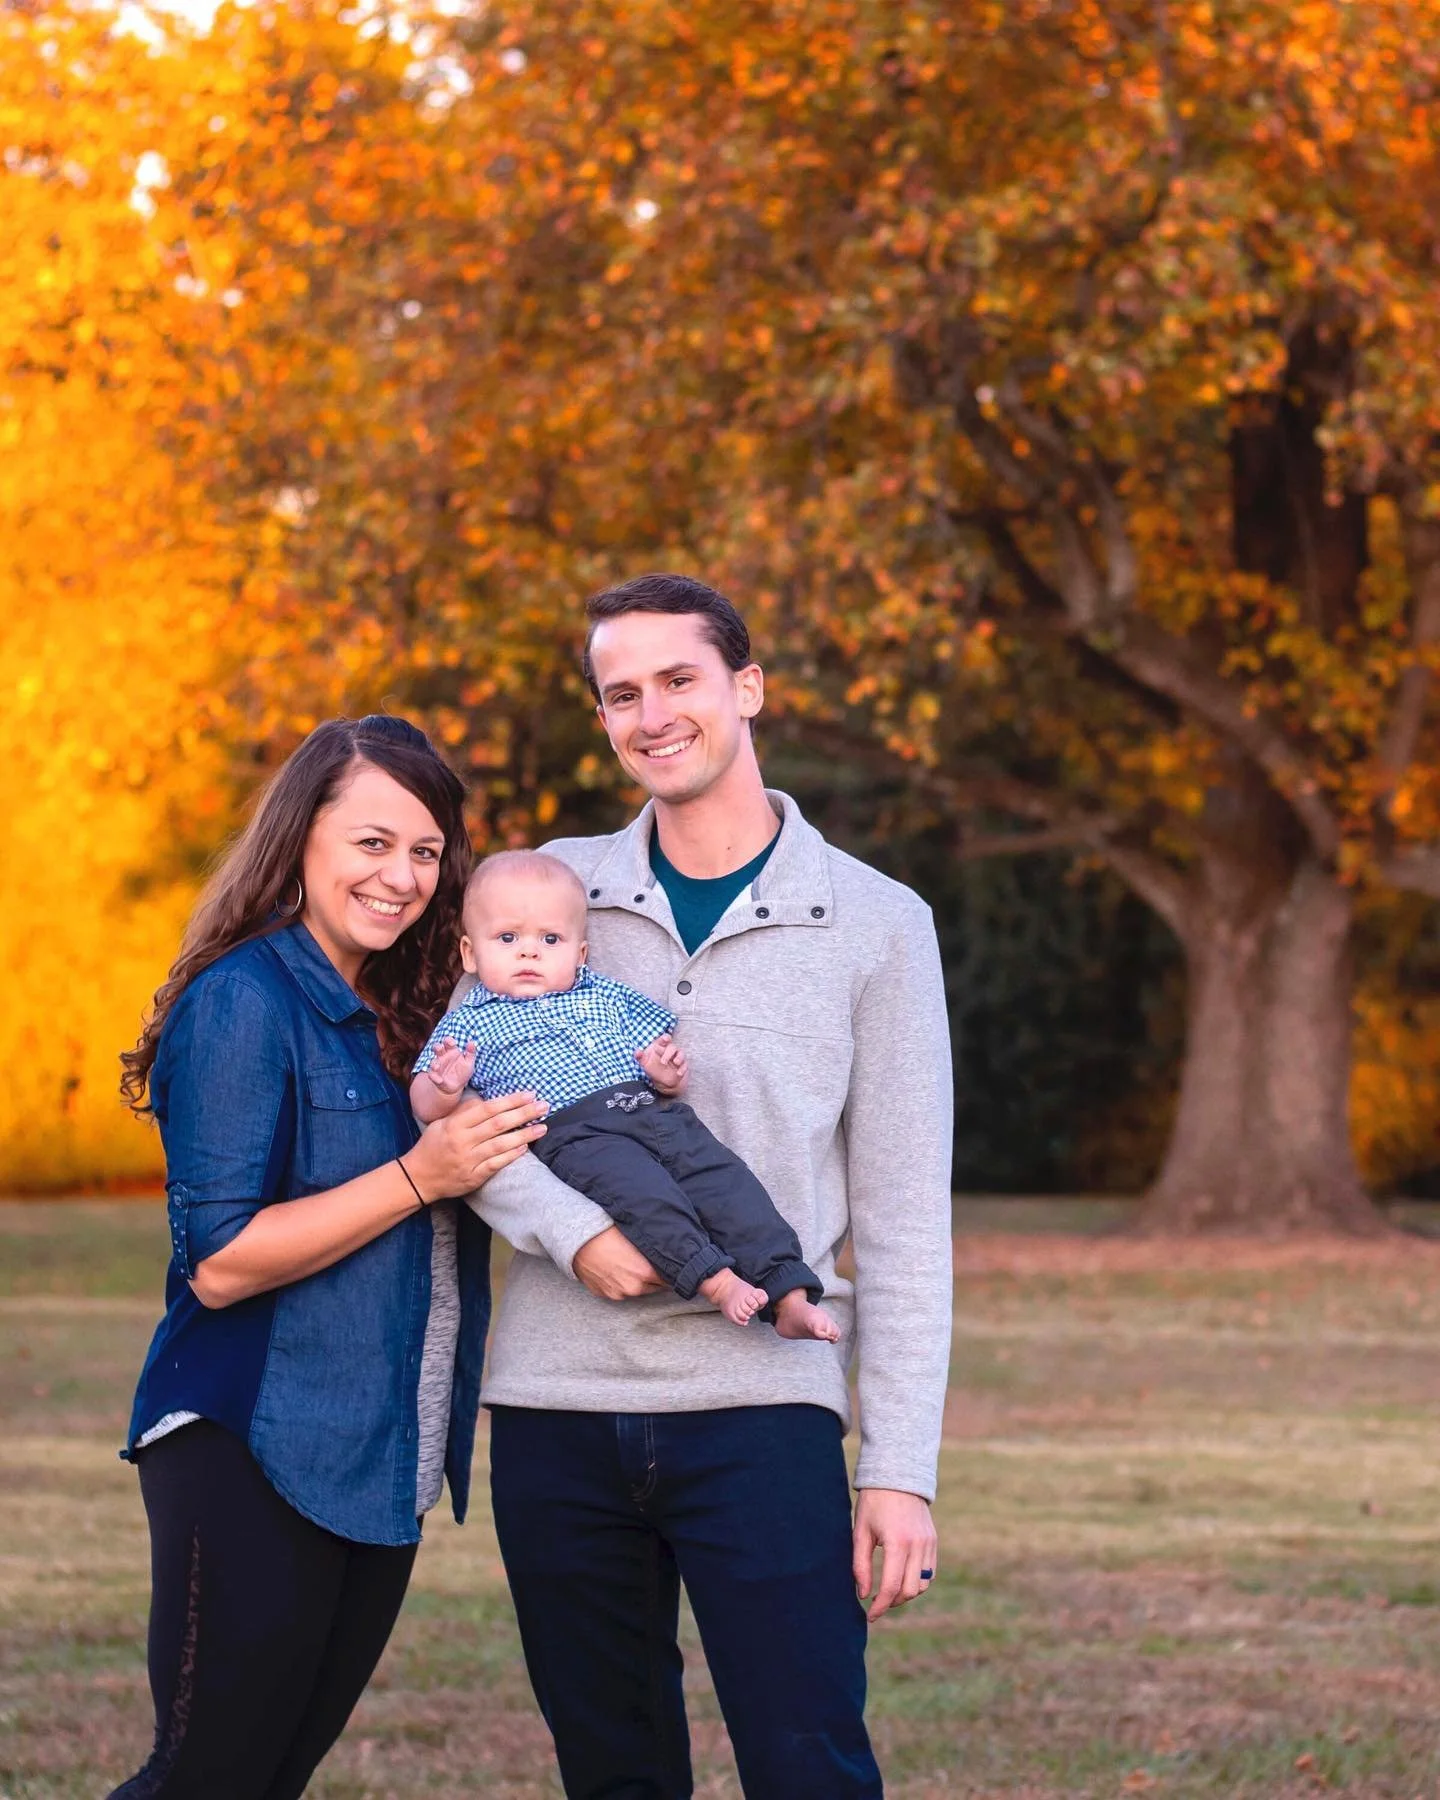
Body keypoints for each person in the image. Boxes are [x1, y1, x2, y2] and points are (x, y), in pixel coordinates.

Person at [467, 575, 954, 1799]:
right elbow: (461, 1111)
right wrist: (574, 1233)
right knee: (613, 1772)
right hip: (557, 1407)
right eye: (620, 693)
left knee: (809, 1766)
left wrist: (899, 1468)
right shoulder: (541, 893)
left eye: (678, 679)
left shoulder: (879, 923)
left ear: (747, 687)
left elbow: (904, 1224)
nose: (652, 715)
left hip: (764, 1408)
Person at [108, 714, 548, 1800]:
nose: (402, 877)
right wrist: (420, 1175)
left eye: (426, 852)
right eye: (372, 842)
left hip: (382, 1459)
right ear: (301, 835)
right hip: (251, 1444)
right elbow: (220, 1262)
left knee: (271, 1777)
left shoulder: (417, 1016)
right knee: (206, 1777)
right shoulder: (244, 1001)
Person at [412, 849, 839, 1339]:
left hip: (650, 1110)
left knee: (727, 1183)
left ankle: (789, 1293)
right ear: (471, 953)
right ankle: (718, 1282)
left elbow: (660, 1059)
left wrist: (666, 1074)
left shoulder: (605, 994)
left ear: (580, 954)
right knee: (647, 1196)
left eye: (550, 939)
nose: (529, 952)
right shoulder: (468, 1020)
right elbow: (425, 1107)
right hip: (575, 1135)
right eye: (508, 938)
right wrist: (443, 1086)